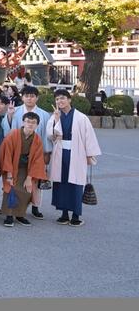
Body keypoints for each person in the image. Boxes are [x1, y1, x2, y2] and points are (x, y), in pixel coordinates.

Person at [47, 89, 101, 227]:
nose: (60, 101)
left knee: (76, 183)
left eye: (62, 98)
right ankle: (64, 213)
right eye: (57, 99)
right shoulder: (55, 116)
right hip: (61, 153)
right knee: (61, 182)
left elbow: (88, 136)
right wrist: (57, 120)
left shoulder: (81, 117)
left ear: (69, 99)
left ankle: (76, 215)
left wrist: (89, 154)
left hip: (77, 153)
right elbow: (51, 135)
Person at [3, 85, 51, 219]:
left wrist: (46, 152)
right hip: (17, 152)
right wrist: (9, 116)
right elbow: (7, 130)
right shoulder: (15, 110)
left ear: (37, 98)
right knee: (15, 182)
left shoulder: (44, 114)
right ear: (22, 97)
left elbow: (46, 135)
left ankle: (35, 206)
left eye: (32, 96)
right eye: (27, 96)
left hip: (36, 152)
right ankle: (13, 211)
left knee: (35, 181)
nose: (29, 99)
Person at [0, 112, 48, 228]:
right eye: (28, 121)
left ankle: (20, 215)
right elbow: (6, 154)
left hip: (27, 168)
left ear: (37, 125)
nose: (30, 124)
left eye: (33, 123)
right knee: (11, 189)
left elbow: (37, 160)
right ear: (23, 122)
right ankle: (9, 216)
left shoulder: (37, 139)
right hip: (12, 166)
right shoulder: (13, 135)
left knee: (26, 190)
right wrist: (9, 174)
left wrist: (30, 177)